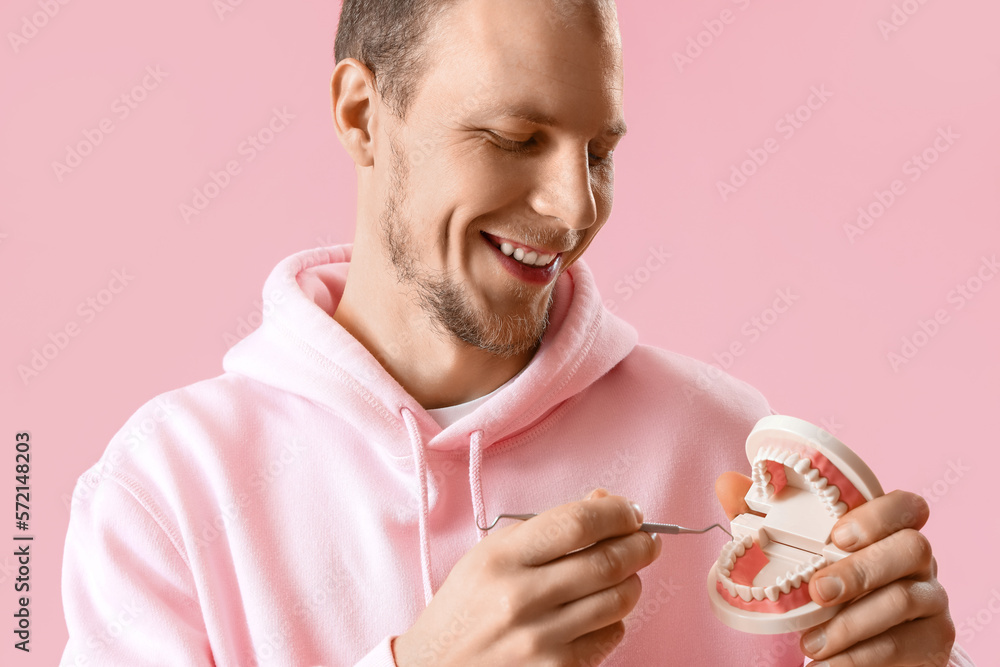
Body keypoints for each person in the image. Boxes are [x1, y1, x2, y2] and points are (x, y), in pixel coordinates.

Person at [60, 0, 973, 665]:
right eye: (514, 135)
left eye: (599, 153)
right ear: (360, 115)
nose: (575, 208)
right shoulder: (167, 492)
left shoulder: (723, 443)